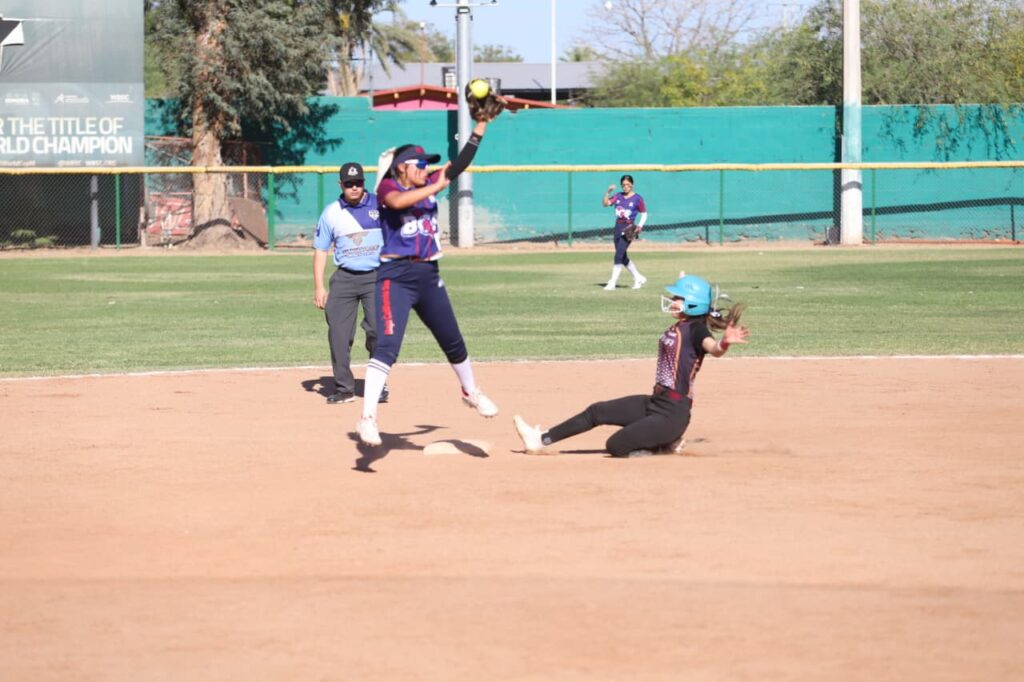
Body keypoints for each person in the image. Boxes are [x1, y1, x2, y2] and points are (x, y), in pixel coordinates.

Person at [355, 116, 502, 446]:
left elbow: (460, 162)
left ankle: (470, 391)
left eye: (427, 164)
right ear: (402, 168)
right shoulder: (387, 188)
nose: (425, 168)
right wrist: (435, 184)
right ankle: (367, 418)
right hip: (396, 278)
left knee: (453, 341)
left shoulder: (429, 181)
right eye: (419, 164)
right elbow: (396, 203)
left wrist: (481, 126)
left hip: (429, 275)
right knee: (387, 347)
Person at [513, 273, 748, 457]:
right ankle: (540, 440)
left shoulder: (696, 329)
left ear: (693, 305)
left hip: (672, 415)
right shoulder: (680, 326)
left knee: (616, 445)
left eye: (678, 298)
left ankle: (665, 446)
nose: (673, 301)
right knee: (597, 411)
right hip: (657, 402)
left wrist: (724, 343)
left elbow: (713, 349)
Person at [313, 161, 388, 405]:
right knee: (338, 335)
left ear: (364, 183)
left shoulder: (381, 205)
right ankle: (345, 389)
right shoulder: (331, 213)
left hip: (376, 277)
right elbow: (321, 250)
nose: (354, 187)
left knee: (377, 330)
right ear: (341, 184)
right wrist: (319, 286)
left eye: (358, 183)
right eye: (349, 184)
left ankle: (378, 383)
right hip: (344, 279)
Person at [602, 174, 648, 290]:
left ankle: (612, 283)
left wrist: (640, 226)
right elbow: (605, 204)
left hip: (629, 228)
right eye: (623, 185)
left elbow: (644, 214)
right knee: (622, 257)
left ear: (632, 185)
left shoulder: (638, 198)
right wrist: (608, 192)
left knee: (618, 256)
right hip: (617, 227)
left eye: (628, 184)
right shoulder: (618, 196)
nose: (626, 187)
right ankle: (638, 277)